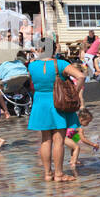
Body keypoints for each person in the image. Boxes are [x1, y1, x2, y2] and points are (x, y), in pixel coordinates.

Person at [27, 43, 85, 182]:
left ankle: (48, 174)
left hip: (40, 102)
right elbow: (81, 76)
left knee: (45, 140)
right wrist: (74, 94)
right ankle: (59, 174)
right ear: (54, 50)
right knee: (58, 140)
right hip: (58, 102)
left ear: (40, 49)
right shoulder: (61, 64)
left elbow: (32, 84)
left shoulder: (32, 65)